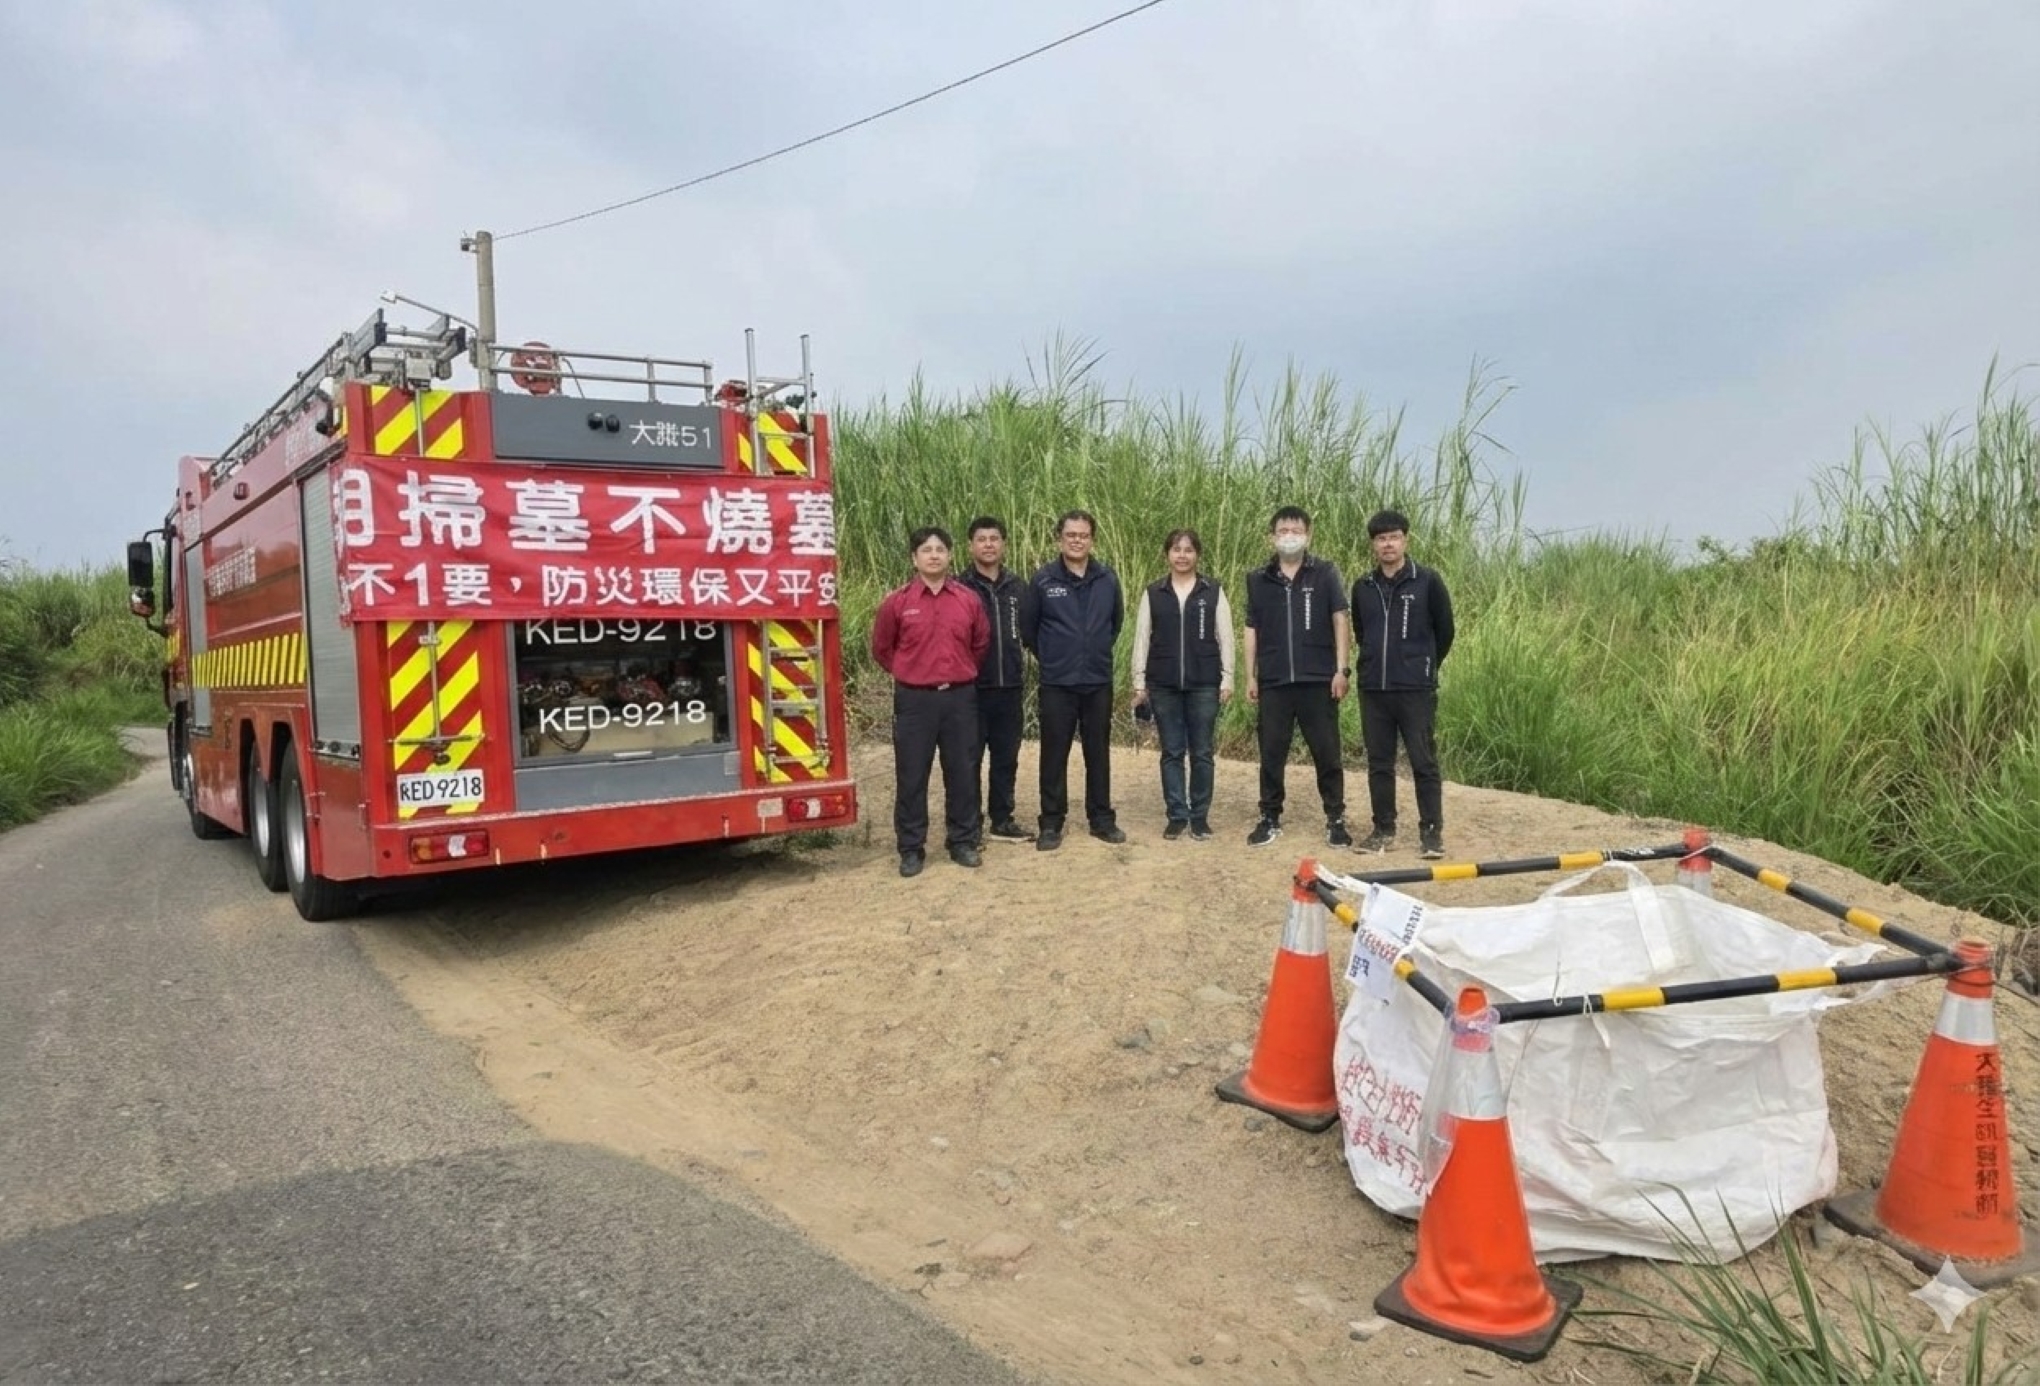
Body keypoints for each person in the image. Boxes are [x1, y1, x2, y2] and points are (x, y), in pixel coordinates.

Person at [870, 527, 990, 878]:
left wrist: (957, 671)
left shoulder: (967, 599)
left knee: (963, 771)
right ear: (914, 558)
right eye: (926, 550)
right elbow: (882, 649)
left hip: (959, 698)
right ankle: (911, 848)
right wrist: (911, 672)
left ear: (950, 556)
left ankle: (962, 841)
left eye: (940, 549)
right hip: (915, 701)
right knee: (911, 775)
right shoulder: (898, 602)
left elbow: (980, 644)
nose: (934, 555)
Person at [1242, 505, 1352, 848]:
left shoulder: (1325, 573)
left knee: (1327, 753)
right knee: (1271, 753)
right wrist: (1250, 676)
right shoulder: (1258, 579)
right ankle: (1269, 817)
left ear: (1308, 535)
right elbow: (1251, 628)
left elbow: (1340, 619)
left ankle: (1335, 818)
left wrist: (1341, 669)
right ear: (1272, 537)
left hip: (1317, 679)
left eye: (1296, 531)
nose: (1289, 537)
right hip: (1274, 680)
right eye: (1283, 531)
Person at [1017, 509, 1126, 851]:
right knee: (1054, 754)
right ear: (1059, 539)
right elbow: (1029, 630)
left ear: (1092, 540)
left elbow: (1115, 624)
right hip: (1057, 683)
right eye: (1071, 535)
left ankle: (1101, 819)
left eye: (1083, 535)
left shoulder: (1107, 578)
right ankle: (1051, 822)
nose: (1077, 540)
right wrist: (1054, 657)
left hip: (1097, 681)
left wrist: (1092, 651)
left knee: (1098, 753)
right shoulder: (1043, 580)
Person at [1351, 508, 1456, 859]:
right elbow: (1362, 632)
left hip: (1415, 689)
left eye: (1394, 537)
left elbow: (1445, 631)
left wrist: (1423, 665)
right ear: (1373, 545)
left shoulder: (1427, 581)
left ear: (1405, 540)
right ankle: (1383, 829)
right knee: (1379, 763)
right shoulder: (1363, 587)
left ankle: (1431, 832)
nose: (1388, 544)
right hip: (1374, 689)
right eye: (1381, 539)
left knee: (1423, 761)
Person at [1131, 529, 1234, 840]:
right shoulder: (1153, 593)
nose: (1182, 556)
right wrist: (1139, 682)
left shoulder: (1212, 591)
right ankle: (1177, 815)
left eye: (1188, 550)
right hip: (1163, 684)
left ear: (1197, 554)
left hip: (1204, 683)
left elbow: (1226, 637)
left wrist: (1228, 677)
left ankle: (1199, 817)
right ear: (1167, 554)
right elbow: (1142, 638)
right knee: (1172, 752)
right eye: (1176, 549)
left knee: (1202, 752)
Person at [959, 516, 1032, 842]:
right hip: (971, 690)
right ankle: (970, 823)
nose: (988, 545)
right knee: (969, 759)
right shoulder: (960, 588)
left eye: (994, 539)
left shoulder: (1018, 587)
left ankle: (1002, 819)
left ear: (1004, 544)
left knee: (1006, 758)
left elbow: (1031, 632)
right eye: (981, 539)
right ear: (970, 546)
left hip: (1010, 687)